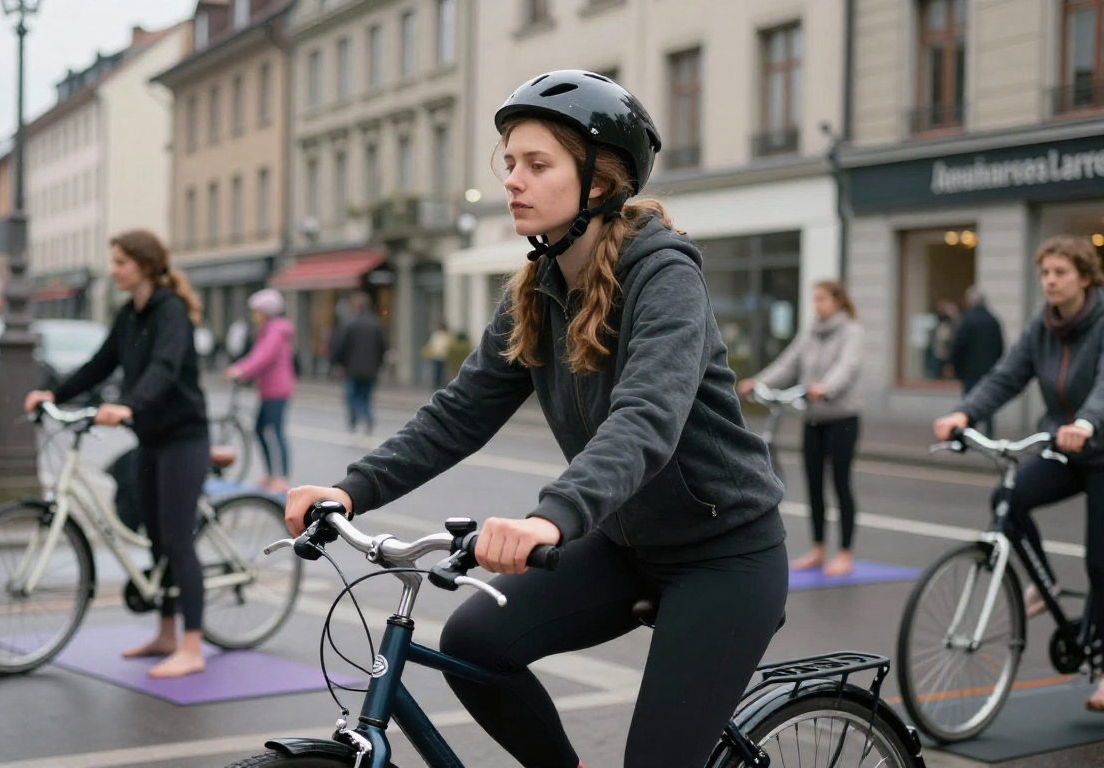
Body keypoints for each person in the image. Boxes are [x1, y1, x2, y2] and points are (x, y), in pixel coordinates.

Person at [282, 71, 788, 768]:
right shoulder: (539, 287)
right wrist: (350, 490)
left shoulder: (664, 275)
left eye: (537, 164)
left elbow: (646, 418)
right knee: (473, 645)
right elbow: (458, 413)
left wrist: (552, 517)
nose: (513, 180)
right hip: (624, 543)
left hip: (723, 553)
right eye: (510, 163)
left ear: (600, 183)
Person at [933, 234, 1104, 713]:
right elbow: (1006, 376)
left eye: (1060, 272)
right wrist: (964, 413)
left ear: (1084, 277)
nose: (1050, 281)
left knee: (1102, 565)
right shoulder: (1042, 327)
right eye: (1044, 273)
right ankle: (1043, 583)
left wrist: (1086, 422)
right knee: (1008, 500)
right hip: (1063, 445)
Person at [24, 229, 211, 679]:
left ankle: (192, 644)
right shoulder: (130, 314)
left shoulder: (171, 313)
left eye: (120, 262)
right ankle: (166, 633)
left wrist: (130, 404)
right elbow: (99, 364)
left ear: (144, 265)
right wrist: (54, 391)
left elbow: (165, 368)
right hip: (149, 438)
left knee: (178, 540)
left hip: (184, 437)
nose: (113, 270)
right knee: (155, 538)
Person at [739, 281, 865, 577]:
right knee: (814, 485)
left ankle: (845, 552)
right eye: (814, 299)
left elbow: (847, 367)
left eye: (821, 299)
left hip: (842, 419)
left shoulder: (852, 331)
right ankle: (819, 549)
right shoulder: (811, 331)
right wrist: (759, 382)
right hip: (813, 419)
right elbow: (788, 363)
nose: (817, 305)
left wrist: (825, 388)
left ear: (837, 301)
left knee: (841, 485)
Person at [225, 288, 295, 494]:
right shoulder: (268, 329)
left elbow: (263, 356)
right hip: (269, 389)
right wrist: (241, 366)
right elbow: (257, 355)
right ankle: (272, 475)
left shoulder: (275, 330)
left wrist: (241, 370)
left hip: (277, 389)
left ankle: (281, 477)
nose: (253, 315)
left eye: (256, 311)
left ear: (266, 311)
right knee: (261, 429)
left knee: (275, 431)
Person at [950, 285, 1005, 437]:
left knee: (970, 403)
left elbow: (958, 346)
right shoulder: (993, 320)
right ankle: (989, 433)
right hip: (989, 369)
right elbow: (1001, 346)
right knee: (988, 402)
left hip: (969, 370)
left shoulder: (967, 320)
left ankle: (969, 434)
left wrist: (955, 367)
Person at [330, 292, 386, 434]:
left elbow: (341, 346)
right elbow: (383, 347)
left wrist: (338, 363)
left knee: (352, 396)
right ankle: (367, 417)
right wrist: (379, 364)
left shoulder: (349, 323)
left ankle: (355, 419)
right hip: (371, 369)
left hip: (352, 368)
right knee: (366, 396)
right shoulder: (376, 323)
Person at [421, 320, 452, 388]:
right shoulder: (439, 335)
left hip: (441, 355)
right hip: (438, 355)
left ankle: (439, 383)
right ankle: (438, 383)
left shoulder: (443, 335)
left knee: (439, 370)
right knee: (438, 370)